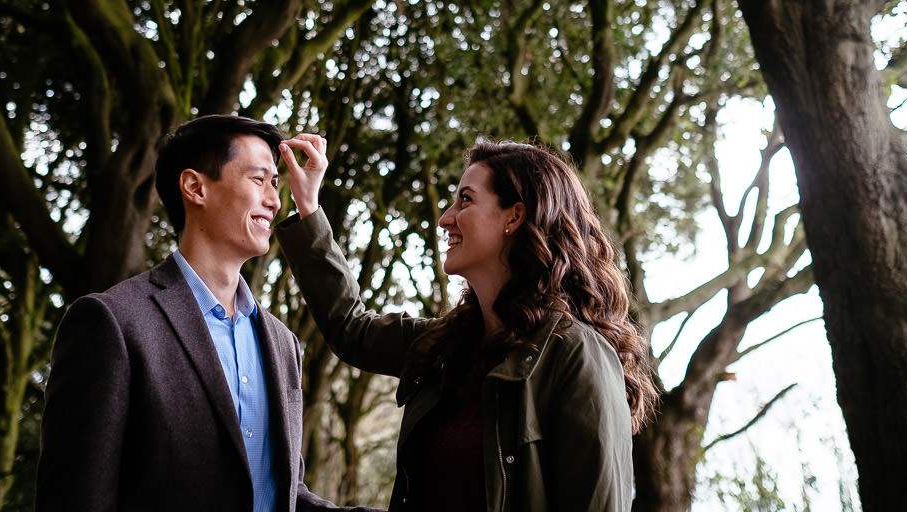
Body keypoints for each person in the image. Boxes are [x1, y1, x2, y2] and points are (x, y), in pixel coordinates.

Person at [277, 135, 658, 512]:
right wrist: (308, 207)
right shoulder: (446, 343)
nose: (445, 219)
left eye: (466, 199)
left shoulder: (576, 356)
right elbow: (353, 329)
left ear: (515, 216)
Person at [36, 114, 377, 512]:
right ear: (195, 187)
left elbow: (285, 496)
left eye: (274, 183)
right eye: (258, 179)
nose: (274, 200)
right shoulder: (111, 323)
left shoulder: (283, 343)